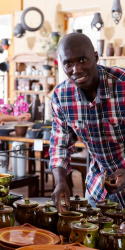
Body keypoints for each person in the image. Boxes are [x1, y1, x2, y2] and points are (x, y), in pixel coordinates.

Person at [49, 32, 125, 212]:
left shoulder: (122, 84)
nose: (76, 70)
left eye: (82, 60)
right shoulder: (61, 96)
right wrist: (60, 182)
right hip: (99, 187)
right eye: (68, 63)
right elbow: (60, 145)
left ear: (96, 57)